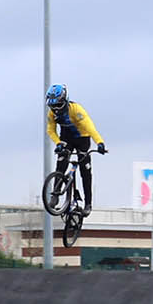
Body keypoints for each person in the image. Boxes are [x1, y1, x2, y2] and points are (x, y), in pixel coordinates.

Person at [44, 84, 107, 213]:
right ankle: (55, 195)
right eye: (52, 106)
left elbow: (90, 127)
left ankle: (88, 203)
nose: (55, 109)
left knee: (85, 170)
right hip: (66, 138)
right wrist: (58, 143)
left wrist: (99, 142)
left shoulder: (77, 110)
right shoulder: (51, 114)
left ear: (65, 101)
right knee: (61, 163)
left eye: (58, 105)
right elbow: (50, 130)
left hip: (82, 139)